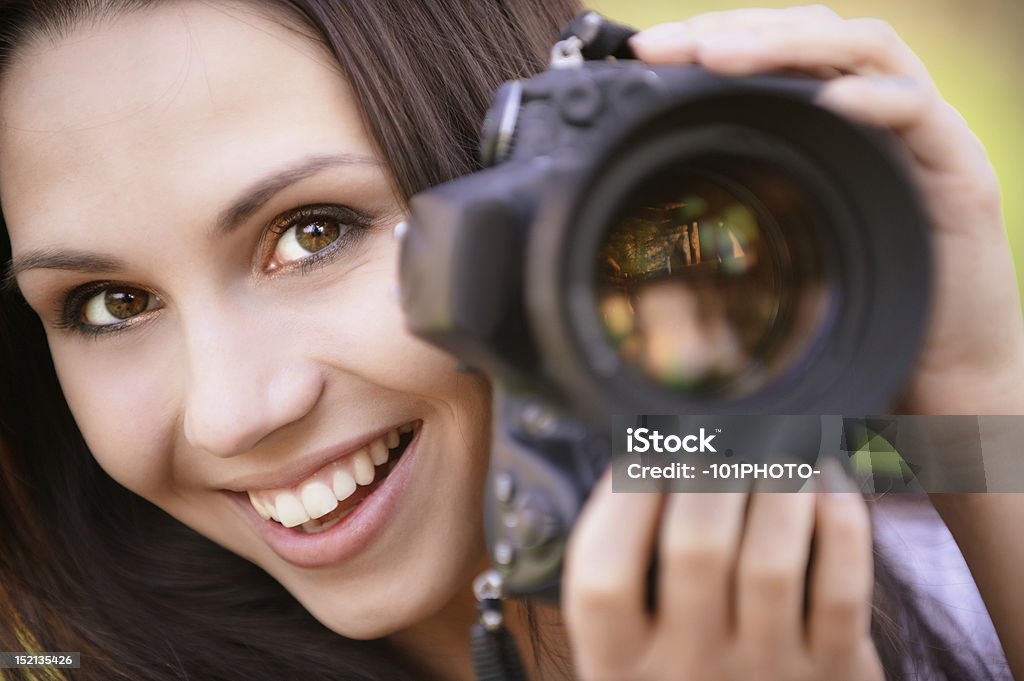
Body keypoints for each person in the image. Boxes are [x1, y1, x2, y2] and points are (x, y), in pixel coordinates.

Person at [0, 2, 1020, 680]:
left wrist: (976, 385)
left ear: (566, 196)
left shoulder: (887, 515)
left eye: (313, 234)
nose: (230, 411)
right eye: (108, 304)